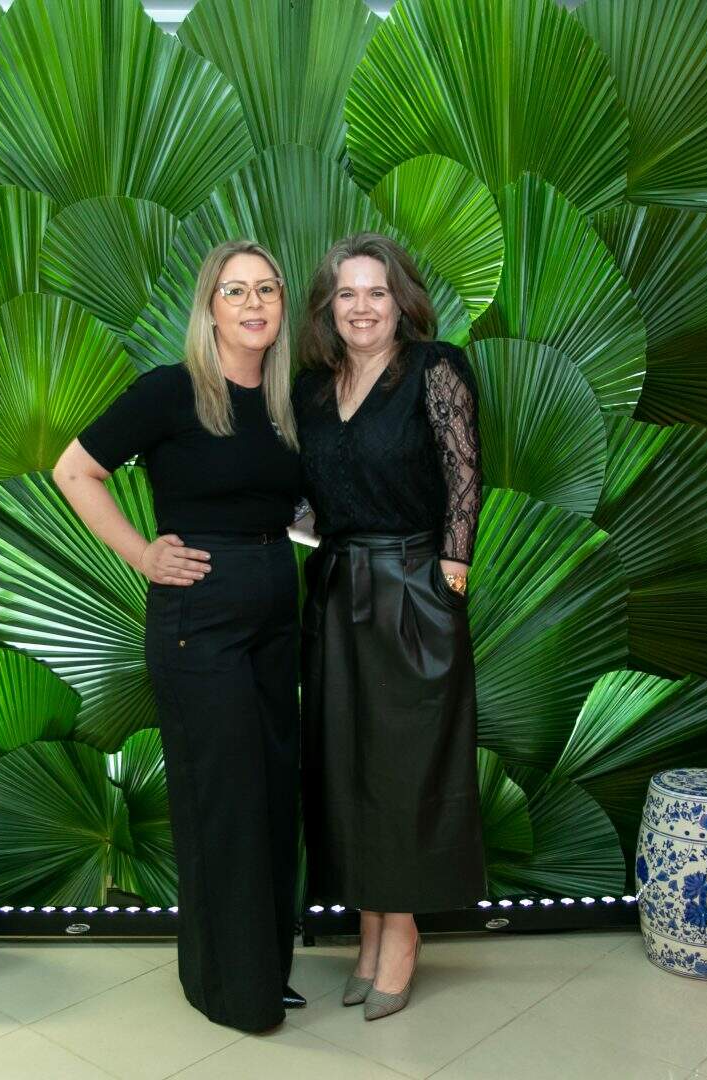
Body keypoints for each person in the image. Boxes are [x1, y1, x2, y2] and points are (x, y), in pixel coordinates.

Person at [53, 239, 306, 1033]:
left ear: (283, 305)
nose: (254, 303)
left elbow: (299, 504)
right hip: (200, 617)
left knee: (273, 793)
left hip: (277, 609)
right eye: (236, 291)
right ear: (210, 308)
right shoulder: (171, 391)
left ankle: (263, 970)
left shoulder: (291, 398)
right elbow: (74, 470)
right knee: (222, 798)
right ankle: (229, 989)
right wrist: (141, 554)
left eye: (267, 289)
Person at [292, 232, 485, 1021]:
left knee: (405, 766)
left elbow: (464, 473)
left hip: (411, 585)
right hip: (336, 590)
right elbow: (303, 490)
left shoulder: (435, 368)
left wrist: (450, 575)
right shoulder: (311, 388)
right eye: (347, 293)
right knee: (347, 766)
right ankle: (369, 926)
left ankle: (401, 931)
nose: (362, 307)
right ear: (328, 306)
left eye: (377, 292)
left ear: (401, 302)